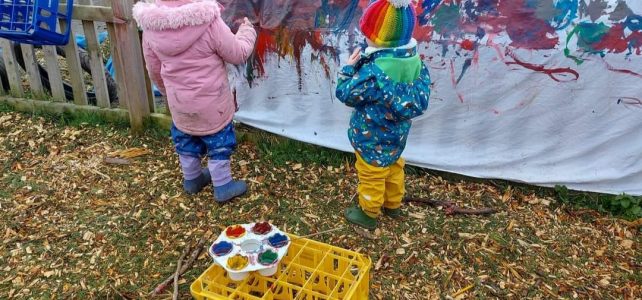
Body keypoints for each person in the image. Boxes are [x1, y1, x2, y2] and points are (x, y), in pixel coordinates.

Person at [133, 0, 257, 202]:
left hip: (179, 102)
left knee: (186, 140)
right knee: (219, 143)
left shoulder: (151, 28)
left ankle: (192, 179)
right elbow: (238, 53)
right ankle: (223, 185)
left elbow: (154, 68)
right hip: (212, 104)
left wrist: (167, 92)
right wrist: (247, 31)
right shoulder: (209, 22)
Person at [336, 0, 431, 229]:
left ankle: (368, 213)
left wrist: (348, 69)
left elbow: (346, 93)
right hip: (397, 134)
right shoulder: (415, 62)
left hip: (371, 135)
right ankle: (393, 204)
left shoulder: (373, 72)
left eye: (368, 33)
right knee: (395, 166)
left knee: (371, 173)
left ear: (378, 39)